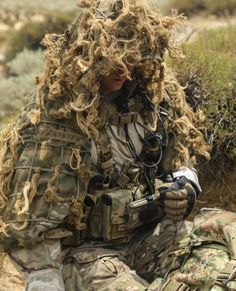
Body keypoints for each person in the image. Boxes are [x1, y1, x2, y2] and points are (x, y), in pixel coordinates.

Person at [0, 0, 235, 290]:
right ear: (88, 56)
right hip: (89, 255)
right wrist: (45, 282)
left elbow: (179, 161)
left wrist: (185, 187)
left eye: (133, 59)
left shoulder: (153, 101)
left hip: (148, 236)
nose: (124, 70)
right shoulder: (58, 122)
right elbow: (33, 231)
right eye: (113, 59)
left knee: (220, 259)